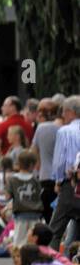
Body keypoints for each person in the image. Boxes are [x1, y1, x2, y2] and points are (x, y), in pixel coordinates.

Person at [48, 96, 80, 252]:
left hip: (71, 185)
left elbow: (60, 161)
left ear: (70, 112)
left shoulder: (65, 131)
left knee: (55, 230)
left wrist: (58, 181)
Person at [6, 152, 44, 249]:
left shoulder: (12, 179)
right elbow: (40, 194)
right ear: (31, 165)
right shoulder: (35, 180)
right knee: (34, 240)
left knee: (19, 240)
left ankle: (20, 258)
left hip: (20, 213)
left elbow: (7, 196)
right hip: (35, 214)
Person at [33, 98, 60, 218]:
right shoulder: (63, 127)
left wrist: (38, 167)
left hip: (46, 175)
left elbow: (34, 152)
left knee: (48, 214)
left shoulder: (42, 128)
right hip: (63, 177)